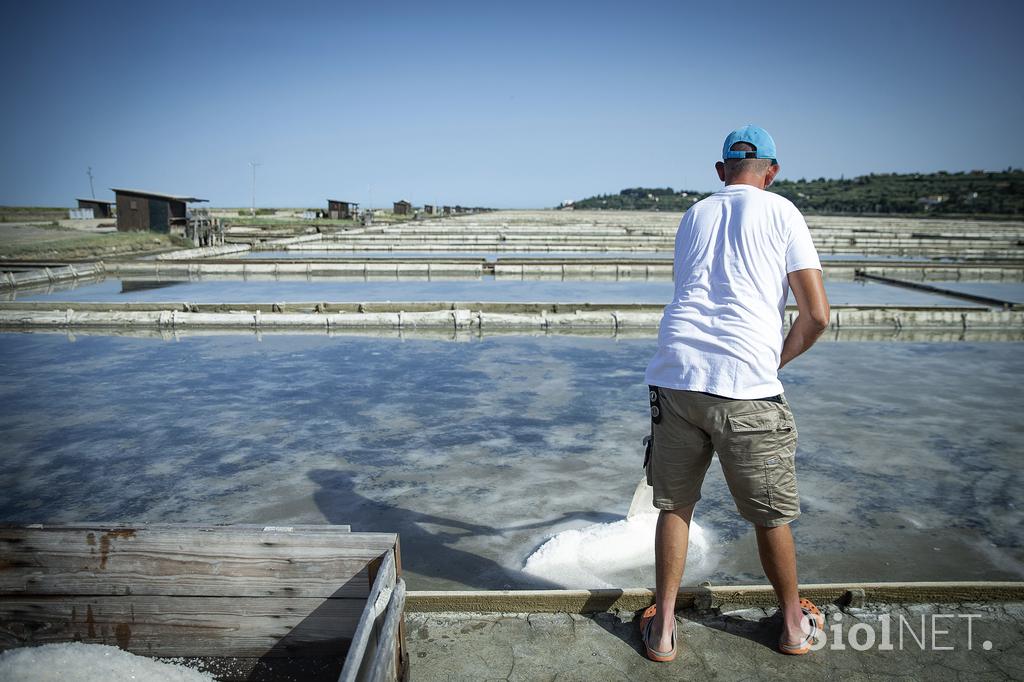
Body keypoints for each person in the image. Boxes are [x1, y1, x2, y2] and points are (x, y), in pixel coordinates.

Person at [639, 125, 830, 661]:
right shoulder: (783, 211)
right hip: (745, 384)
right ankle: (793, 625)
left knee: (675, 506)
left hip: (676, 375)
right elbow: (816, 315)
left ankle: (663, 631)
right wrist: (774, 361)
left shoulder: (694, 214)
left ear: (721, 172)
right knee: (771, 513)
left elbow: (692, 292)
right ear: (771, 171)